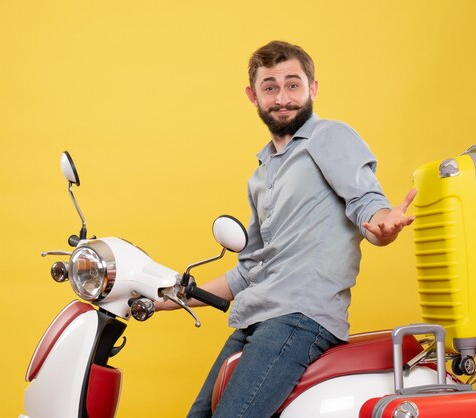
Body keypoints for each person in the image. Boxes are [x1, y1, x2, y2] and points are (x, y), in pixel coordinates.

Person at [156, 40, 416, 418]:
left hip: (299, 317)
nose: (283, 98)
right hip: (256, 317)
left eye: (293, 85)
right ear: (253, 95)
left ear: (312, 88)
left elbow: (365, 203)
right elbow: (249, 270)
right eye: (270, 87)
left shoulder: (329, 137)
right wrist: (166, 297)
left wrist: (382, 224)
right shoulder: (261, 174)